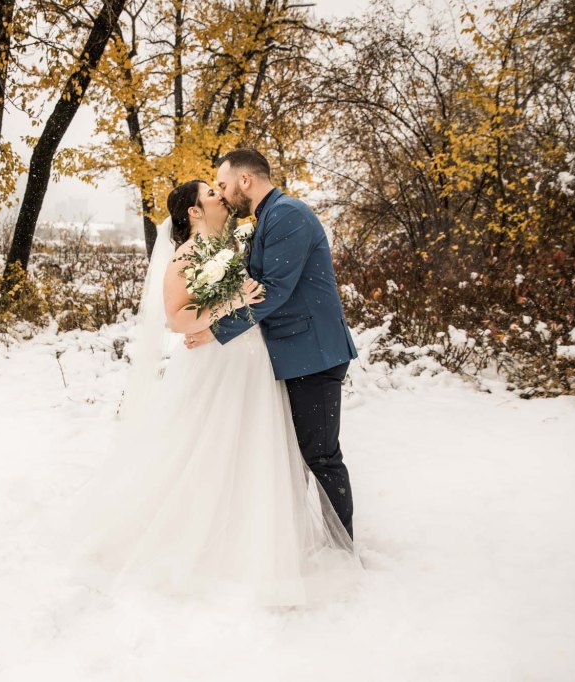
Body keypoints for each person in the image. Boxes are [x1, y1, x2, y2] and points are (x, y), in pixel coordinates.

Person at [66, 177, 360, 607]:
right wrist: (228, 306)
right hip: (215, 366)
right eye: (210, 193)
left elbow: (263, 294)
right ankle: (199, 539)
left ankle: (254, 537)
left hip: (255, 364)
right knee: (207, 448)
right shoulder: (186, 255)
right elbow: (179, 320)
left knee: (252, 451)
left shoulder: (237, 246)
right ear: (194, 213)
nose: (220, 196)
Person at [186, 149, 358, 539]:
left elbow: (274, 292)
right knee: (296, 455)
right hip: (293, 353)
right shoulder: (268, 217)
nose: (223, 195)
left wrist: (214, 332)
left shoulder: (287, 215)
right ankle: (298, 540)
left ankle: (342, 547)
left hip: (313, 354)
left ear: (246, 181)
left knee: (321, 456)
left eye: (225, 185)